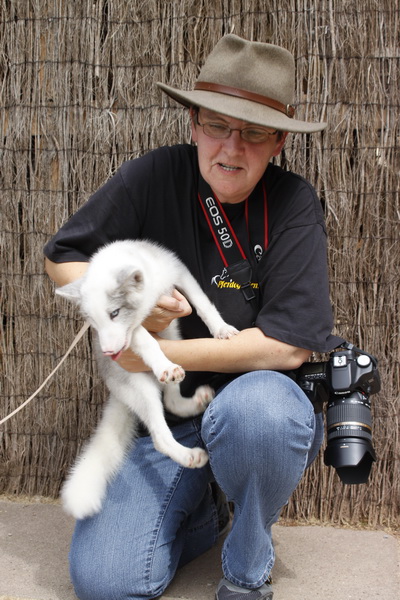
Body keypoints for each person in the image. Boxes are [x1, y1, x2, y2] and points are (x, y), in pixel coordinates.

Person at [44, 35, 343, 600]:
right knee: (104, 583)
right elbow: (62, 256)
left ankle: (247, 570)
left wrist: (156, 353)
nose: (231, 146)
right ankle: (205, 514)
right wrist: (117, 300)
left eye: (253, 132)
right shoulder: (153, 175)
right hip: (166, 416)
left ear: (279, 141)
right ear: (192, 123)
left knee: (261, 414)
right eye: (216, 124)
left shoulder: (294, 203)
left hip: (259, 409)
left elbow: (288, 347)